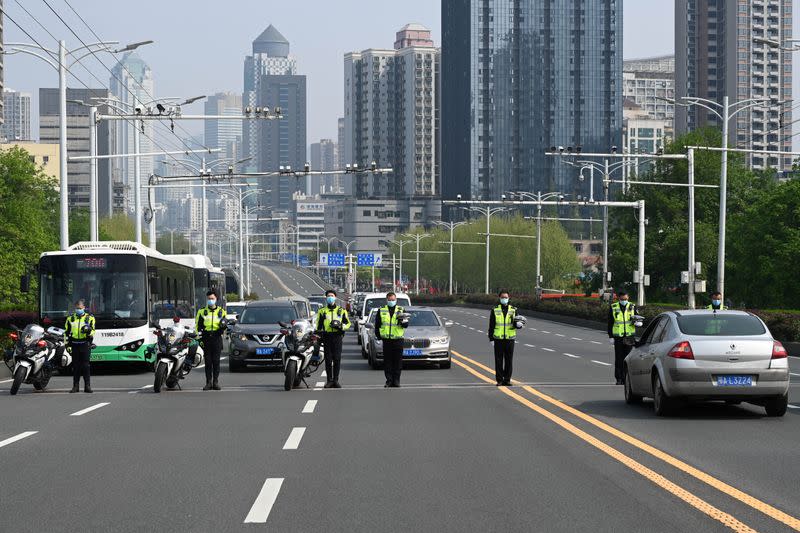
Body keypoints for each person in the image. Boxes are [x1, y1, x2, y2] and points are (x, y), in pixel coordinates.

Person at [315, 290, 350, 388]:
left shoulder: (341, 310)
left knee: (337, 359)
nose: (330, 297)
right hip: (327, 337)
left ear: (335, 297)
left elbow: (348, 323)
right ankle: (329, 380)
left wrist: (340, 326)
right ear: (326, 298)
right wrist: (318, 334)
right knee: (328, 359)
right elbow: (318, 325)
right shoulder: (322, 311)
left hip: (337, 337)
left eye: (332, 296)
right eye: (328, 296)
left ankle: (336, 380)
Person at [375, 292, 409, 388]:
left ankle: (396, 381)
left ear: (396, 300)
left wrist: (401, 321)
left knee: (398, 362)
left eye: (393, 300)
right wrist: (378, 336)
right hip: (387, 340)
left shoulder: (401, 310)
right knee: (387, 361)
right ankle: (389, 381)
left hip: (398, 339)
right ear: (387, 300)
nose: (391, 301)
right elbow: (377, 325)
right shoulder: (381, 310)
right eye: (389, 300)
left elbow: (406, 325)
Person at [195, 290, 226, 391]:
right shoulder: (202, 311)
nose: (210, 300)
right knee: (208, 362)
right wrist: (199, 338)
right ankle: (208, 382)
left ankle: (215, 382)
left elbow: (225, 324)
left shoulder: (221, 311)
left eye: (212, 299)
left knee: (216, 361)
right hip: (206, 338)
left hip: (217, 338)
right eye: (209, 299)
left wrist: (223, 327)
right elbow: (197, 326)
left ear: (216, 299)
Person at [65, 299, 95, 393]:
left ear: (84, 308)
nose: (78, 310)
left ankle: (87, 386)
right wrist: (67, 345)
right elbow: (66, 333)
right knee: (76, 366)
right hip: (74, 344)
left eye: (80, 308)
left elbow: (93, 330)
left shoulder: (90, 318)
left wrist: (88, 330)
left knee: (86, 366)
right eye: (77, 308)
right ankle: (75, 386)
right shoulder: (70, 319)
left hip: (85, 344)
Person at [607, 291, 637, 385]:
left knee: (628, 358)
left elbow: (636, 318)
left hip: (629, 336)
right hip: (618, 337)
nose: (624, 301)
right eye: (622, 299)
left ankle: (627, 379)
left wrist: (638, 323)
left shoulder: (632, 306)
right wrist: (611, 336)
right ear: (618, 298)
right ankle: (619, 378)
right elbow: (610, 323)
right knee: (619, 358)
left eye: (625, 299)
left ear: (628, 298)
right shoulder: (613, 307)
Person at [488, 290, 516, 386]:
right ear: (499, 298)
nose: (504, 299)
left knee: (509, 361)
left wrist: (519, 325)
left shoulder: (513, 310)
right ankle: (499, 380)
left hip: (510, 339)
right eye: (503, 297)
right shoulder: (495, 309)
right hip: (498, 339)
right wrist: (491, 338)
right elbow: (491, 325)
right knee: (498, 361)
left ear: (509, 298)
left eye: (506, 297)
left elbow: (517, 323)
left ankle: (507, 380)